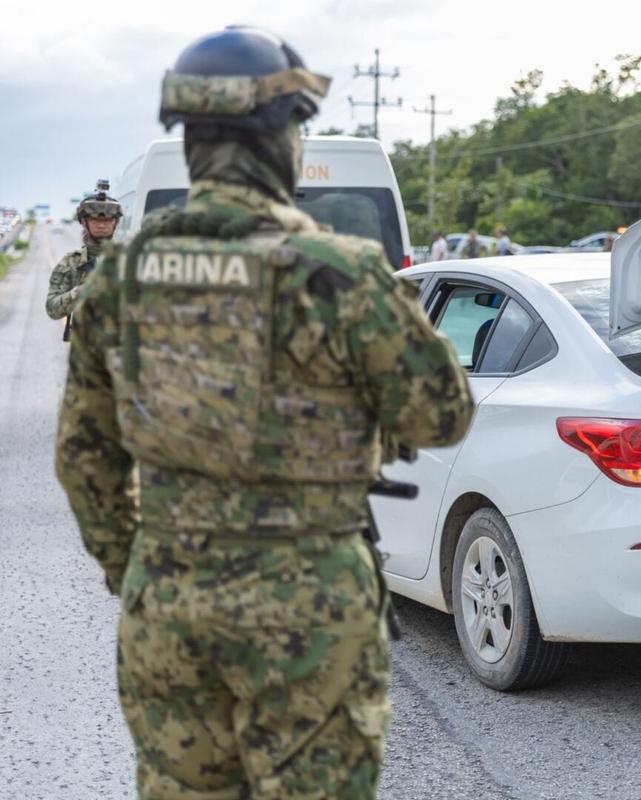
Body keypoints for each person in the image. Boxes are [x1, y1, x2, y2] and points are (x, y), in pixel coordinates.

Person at [54, 26, 475, 798]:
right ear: (283, 138)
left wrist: (140, 570)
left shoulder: (120, 281)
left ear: (192, 142)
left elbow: (84, 457)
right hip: (309, 595)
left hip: (171, 595)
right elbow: (441, 417)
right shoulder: (340, 272)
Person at [46, 180, 122, 335]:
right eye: (95, 220)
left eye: (107, 220)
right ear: (83, 222)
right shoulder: (71, 263)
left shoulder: (131, 260)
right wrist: (82, 291)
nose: (101, 225)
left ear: (115, 222)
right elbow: (52, 308)